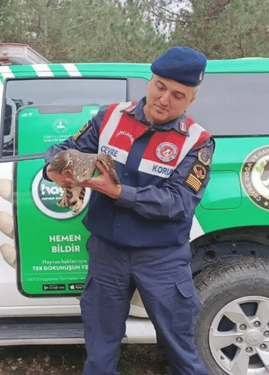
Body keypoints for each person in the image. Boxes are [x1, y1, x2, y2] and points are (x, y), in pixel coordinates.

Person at [43, 46, 214, 375]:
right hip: (108, 253)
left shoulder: (197, 141)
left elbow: (178, 203)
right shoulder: (108, 117)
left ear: (191, 100)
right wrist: (53, 168)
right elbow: (65, 150)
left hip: (162, 258)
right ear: (150, 81)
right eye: (160, 86)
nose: (164, 99)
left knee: (181, 351)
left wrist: (118, 192)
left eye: (178, 94)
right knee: (99, 351)